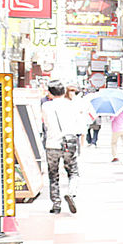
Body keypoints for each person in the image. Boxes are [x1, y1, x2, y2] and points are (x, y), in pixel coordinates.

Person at [40, 82, 81, 214]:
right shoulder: (72, 105)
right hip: (69, 142)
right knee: (73, 171)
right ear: (64, 92)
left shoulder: (45, 106)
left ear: (50, 93)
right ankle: (71, 193)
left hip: (52, 144)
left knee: (53, 175)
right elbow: (78, 123)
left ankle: (56, 204)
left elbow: (45, 124)